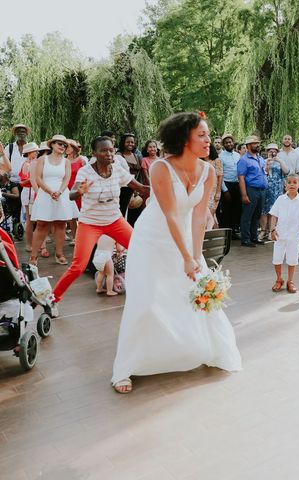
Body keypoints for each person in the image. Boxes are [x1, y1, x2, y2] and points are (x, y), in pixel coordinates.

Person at [111, 112, 242, 394]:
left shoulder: (208, 171)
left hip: (186, 237)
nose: (209, 140)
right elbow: (170, 215)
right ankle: (125, 368)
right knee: (145, 301)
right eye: (202, 135)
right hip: (152, 240)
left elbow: (198, 217)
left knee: (196, 293)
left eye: (208, 135)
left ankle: (205, 350)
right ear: (184, 139)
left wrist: (195, 257)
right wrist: (185, 257)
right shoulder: (161, 168)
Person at [52, 136, 149, 302]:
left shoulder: (117, 169)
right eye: (104, 151)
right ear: (94, 153)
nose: (109, 154)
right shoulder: (86, 172)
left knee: (143, 250)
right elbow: (71, 195)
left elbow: (140, 188)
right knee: (78, 266)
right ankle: (52, 299)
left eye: (111, 150)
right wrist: (80, 191)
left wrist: (164, 188)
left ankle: (150, 289)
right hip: (90, 223)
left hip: (114, 221)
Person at [28, 135, 77, 265]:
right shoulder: (43, 159)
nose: (62, 147)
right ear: (52, 145)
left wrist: (60, 191)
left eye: (64, 145)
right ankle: (33, 256)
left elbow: (67, 178)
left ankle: (59, 253)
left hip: (61, 193)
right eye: (59, 144)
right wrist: (50, 191)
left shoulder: (66, 162)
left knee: (61, 224)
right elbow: (38, 178)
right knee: (41, 225)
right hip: (45, 193)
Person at [269, 174, 299, 294]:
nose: (292, 184)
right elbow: (274, 215)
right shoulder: (280, 199)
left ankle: (290, 281)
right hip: (280, 235)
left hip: (294, 236)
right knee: (277, 259)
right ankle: (279, 279)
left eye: (294, 182)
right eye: (289, 182)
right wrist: (272, 230)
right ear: (285, 185)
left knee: (292, 260)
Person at [237, 135, 268, 247]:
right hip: (251, 189)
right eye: (255, 143)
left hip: (262, 190)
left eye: (258, 143)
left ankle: (254, 237)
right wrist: (244, 194)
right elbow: (241, 178)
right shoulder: (244, 160)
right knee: (247, 215)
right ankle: (245, 239)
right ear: (248, 146)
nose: (257, 145)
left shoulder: (260, 159)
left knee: (257, 215)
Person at [261, 143, 288, 240]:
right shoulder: (263, 161)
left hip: (277, 189)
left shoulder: (280, 162)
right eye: (270, 151)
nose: (272, 153)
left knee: (275, 210)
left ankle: (272, 230)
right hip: (266, 188)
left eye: (274, 151)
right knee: (264, 210)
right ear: (267, 152)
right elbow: (263, 172)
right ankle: (263, 230)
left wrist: (279, 160)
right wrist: (267, 164)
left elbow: (286, 171)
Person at [117, 133, 144, 227]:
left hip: (134, 187)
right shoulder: (118, 156)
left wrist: (137, 188)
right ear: (123, 143)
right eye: (128, 142)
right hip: (123, 188)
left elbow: (140, 173)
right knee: (122, 211)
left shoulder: (136, 155)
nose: (130, 144)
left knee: (134, 213)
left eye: (132, 142)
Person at [218, 133, 241, 237]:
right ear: (224, 145)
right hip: (226, 184)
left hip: (237, 184)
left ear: (233, 143)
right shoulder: (220, 157)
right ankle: (226, 233)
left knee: (236, 208)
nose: (229, 144)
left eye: (230, 142)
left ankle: (234, 230)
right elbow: (220, 174)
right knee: (227, 209)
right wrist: (225, 190)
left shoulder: (237, 155)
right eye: (226, 142)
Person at [18, 142, 40, 252]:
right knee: (30, 219)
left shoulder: (34, 163)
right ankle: (28, 244)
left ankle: (36, 243)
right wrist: (33, 177)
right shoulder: (26, 164)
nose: (36, 153)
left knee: (37, 219)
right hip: (29, 192)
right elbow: (22, 182)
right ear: (28, 152)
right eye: (35, 151)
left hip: (35, 191)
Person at [66, 139, 86, 244]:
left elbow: (87, 174)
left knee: (81, 214)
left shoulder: (81, 160)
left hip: (79, 189)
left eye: (68, 146)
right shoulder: (64, 161)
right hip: (68, 190)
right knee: (71, 216)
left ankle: (83, 236)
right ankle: (75, 238)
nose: (66, 149)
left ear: (73, 148)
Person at [205, 144, 223, 229]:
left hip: (214, 192)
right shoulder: (198, 161)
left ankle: (215, 236)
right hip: (203, 192)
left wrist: (218, 192)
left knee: (210, 215)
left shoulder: (216, 160)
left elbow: (220, 176)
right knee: (209, 216)